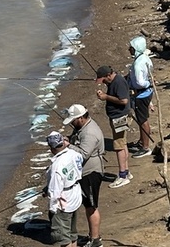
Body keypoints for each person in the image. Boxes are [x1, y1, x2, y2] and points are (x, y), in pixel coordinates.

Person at [63, 105, 105, 247]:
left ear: (80, 118)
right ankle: (91, 236)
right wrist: (69, 139)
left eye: (72, 120)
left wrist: (67, 145)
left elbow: (83, 154)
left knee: (91, 206)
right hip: (85, 173)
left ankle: (96, 240)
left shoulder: (89, 133)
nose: (71, 123)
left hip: (91, 173)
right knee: (88, 205)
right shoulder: (82, 128)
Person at [95, 65, 132, 188]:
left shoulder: (119, 82)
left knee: (118, 146)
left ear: (109, 75)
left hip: (120, 118)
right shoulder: (114, 82)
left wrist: (105, 97)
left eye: (104, 80)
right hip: (117, 116)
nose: (103, 82)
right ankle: (126, 171)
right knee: (123, 144)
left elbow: (124, 101)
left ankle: (122, 176)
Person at [45, 131, 83, 247]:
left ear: (51, 148)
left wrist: (53, 210)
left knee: (63, 239)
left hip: (64, 202)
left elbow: (54, 192)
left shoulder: (56, 166)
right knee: (72, 233)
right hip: (75, 193)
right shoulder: (74, 154)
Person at [127, 36, 154, 159]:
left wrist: (146, 84)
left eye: (131, 48)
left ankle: (145, 147)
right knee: (143, 118)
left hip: (141, 94)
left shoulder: (138, 64)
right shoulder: (144, 58)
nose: (129, 49)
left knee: (142, 120)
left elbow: (139, 82)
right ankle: (142, 141)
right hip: (147, 93)